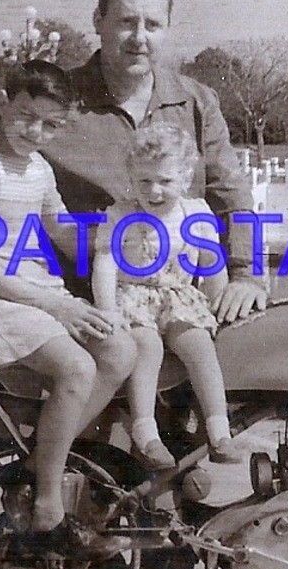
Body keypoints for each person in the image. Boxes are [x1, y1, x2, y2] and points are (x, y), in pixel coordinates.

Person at [0, 0, 267, 322]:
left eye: (152, 25)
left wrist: (246, 276)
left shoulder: (197, 101)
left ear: (167, 28)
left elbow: (232, 196)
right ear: (98, 21)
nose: (139, 38)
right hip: (85, 305)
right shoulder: (56, 101)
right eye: (125, 22)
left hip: (180, 303)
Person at [0, 60, 136, 561]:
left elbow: (63, 232)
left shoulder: (40, 167)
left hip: (36, 292)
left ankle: (33, 469)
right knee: (76, 366)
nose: (36, 131)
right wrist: (57, 303)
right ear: (3, 100)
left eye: (51, 125)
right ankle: (49, 504)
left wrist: (126, 234)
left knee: (119, 350)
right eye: (27, 115)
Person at [94, 122, 239, 468]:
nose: (154, 191)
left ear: (186, 178)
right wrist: (107, 310)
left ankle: (219, 430)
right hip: (134, 297)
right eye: (144, 181)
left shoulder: (196, 213)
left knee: (199, 346)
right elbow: (105, 263)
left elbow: (211, 264)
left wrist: (217, 302)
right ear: (131, 178)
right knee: (147, 347)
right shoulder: (119, 214)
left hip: (178, 297)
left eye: (165, 181)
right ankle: (147, 434)